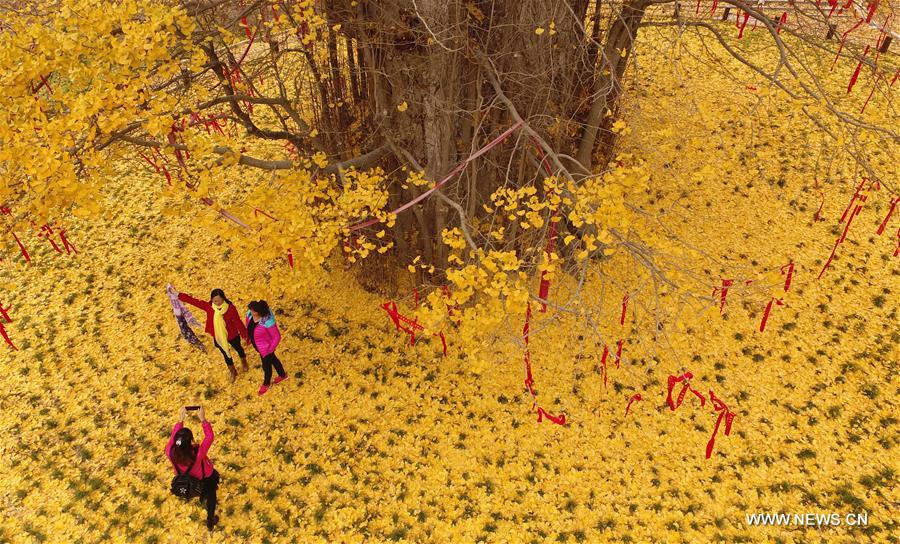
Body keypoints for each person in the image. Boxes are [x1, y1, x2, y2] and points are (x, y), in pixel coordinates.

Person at [165, 406, 220, 530]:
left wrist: (180, 421)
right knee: (211, 495)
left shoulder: (169, 451)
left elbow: (173, 437)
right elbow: (209, 437)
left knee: (207, 494)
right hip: (204, 478)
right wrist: (203, 420)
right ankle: (210, 520)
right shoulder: (197, 453)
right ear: (191, 441)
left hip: (184, 478)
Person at [177, 288, 249, 382]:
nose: (217, 303)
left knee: (238, 348)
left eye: (219, 300)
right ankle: (233, 371)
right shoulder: (209, 306)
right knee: (225, 354)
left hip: (232, 334)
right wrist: (179, 295)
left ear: (223, 298)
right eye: (215, 301)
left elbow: (237, 321)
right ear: (211, 300)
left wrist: (244, 334)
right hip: (218, 335)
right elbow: (194, 301)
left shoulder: (230, 308)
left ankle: (244, 361)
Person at [246, 300, 288, 395]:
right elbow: (249, 325)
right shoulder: (250, 314)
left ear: (259, 312)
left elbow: (277, 337)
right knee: (273, 359)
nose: (250, 311)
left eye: (253, 311)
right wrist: (249, 337)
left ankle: (266, 383)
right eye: (251, 309)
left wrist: (269, 349)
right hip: (259, 346)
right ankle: (282, 375)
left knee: (266, 366)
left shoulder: (267, 322)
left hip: (265, 349)